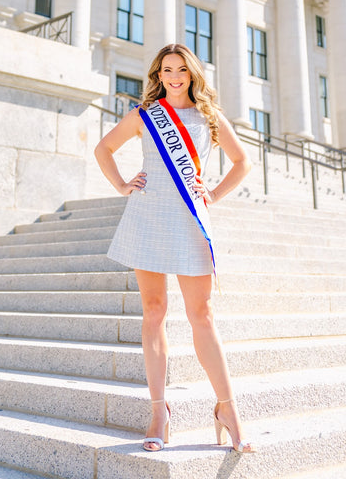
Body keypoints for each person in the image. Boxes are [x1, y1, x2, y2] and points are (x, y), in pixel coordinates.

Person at [94, 43, 255, 453]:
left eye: (182, 69)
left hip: (188, 217)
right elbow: (103, 149)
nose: (175, 76)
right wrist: (121, 184)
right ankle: (158, 412)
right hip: (148, 217)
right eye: (167, 70)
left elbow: (242, 162)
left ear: (192, 73)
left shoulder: (207, 116)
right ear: (158, 75)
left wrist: (213, 195)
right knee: (154, 312)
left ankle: (227, 410)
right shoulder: (144, 115)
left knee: (201, 313)